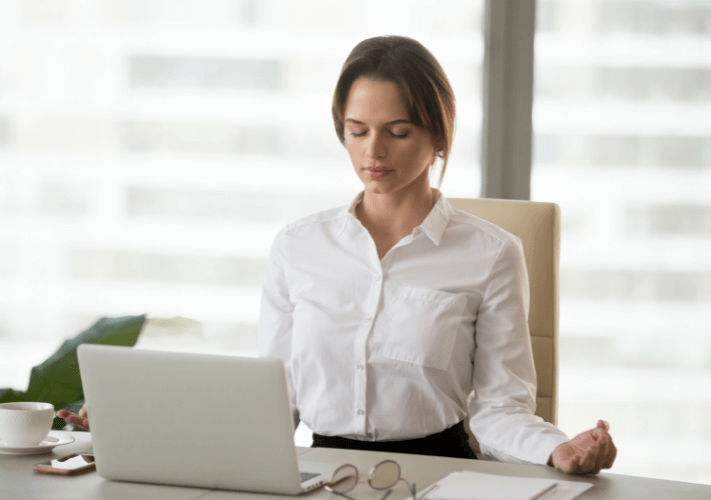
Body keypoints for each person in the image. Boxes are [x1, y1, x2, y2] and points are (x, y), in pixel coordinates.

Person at [62, 35, 616, 474]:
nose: (373, 151)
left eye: (397, 131)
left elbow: (499, 409)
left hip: (439, 476)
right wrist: (139, 425)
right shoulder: (297, 248)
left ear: (438, 136)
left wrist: (557, 449)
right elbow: (273, 407)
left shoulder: (493, 254)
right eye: (357, 131)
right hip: (319, 476)